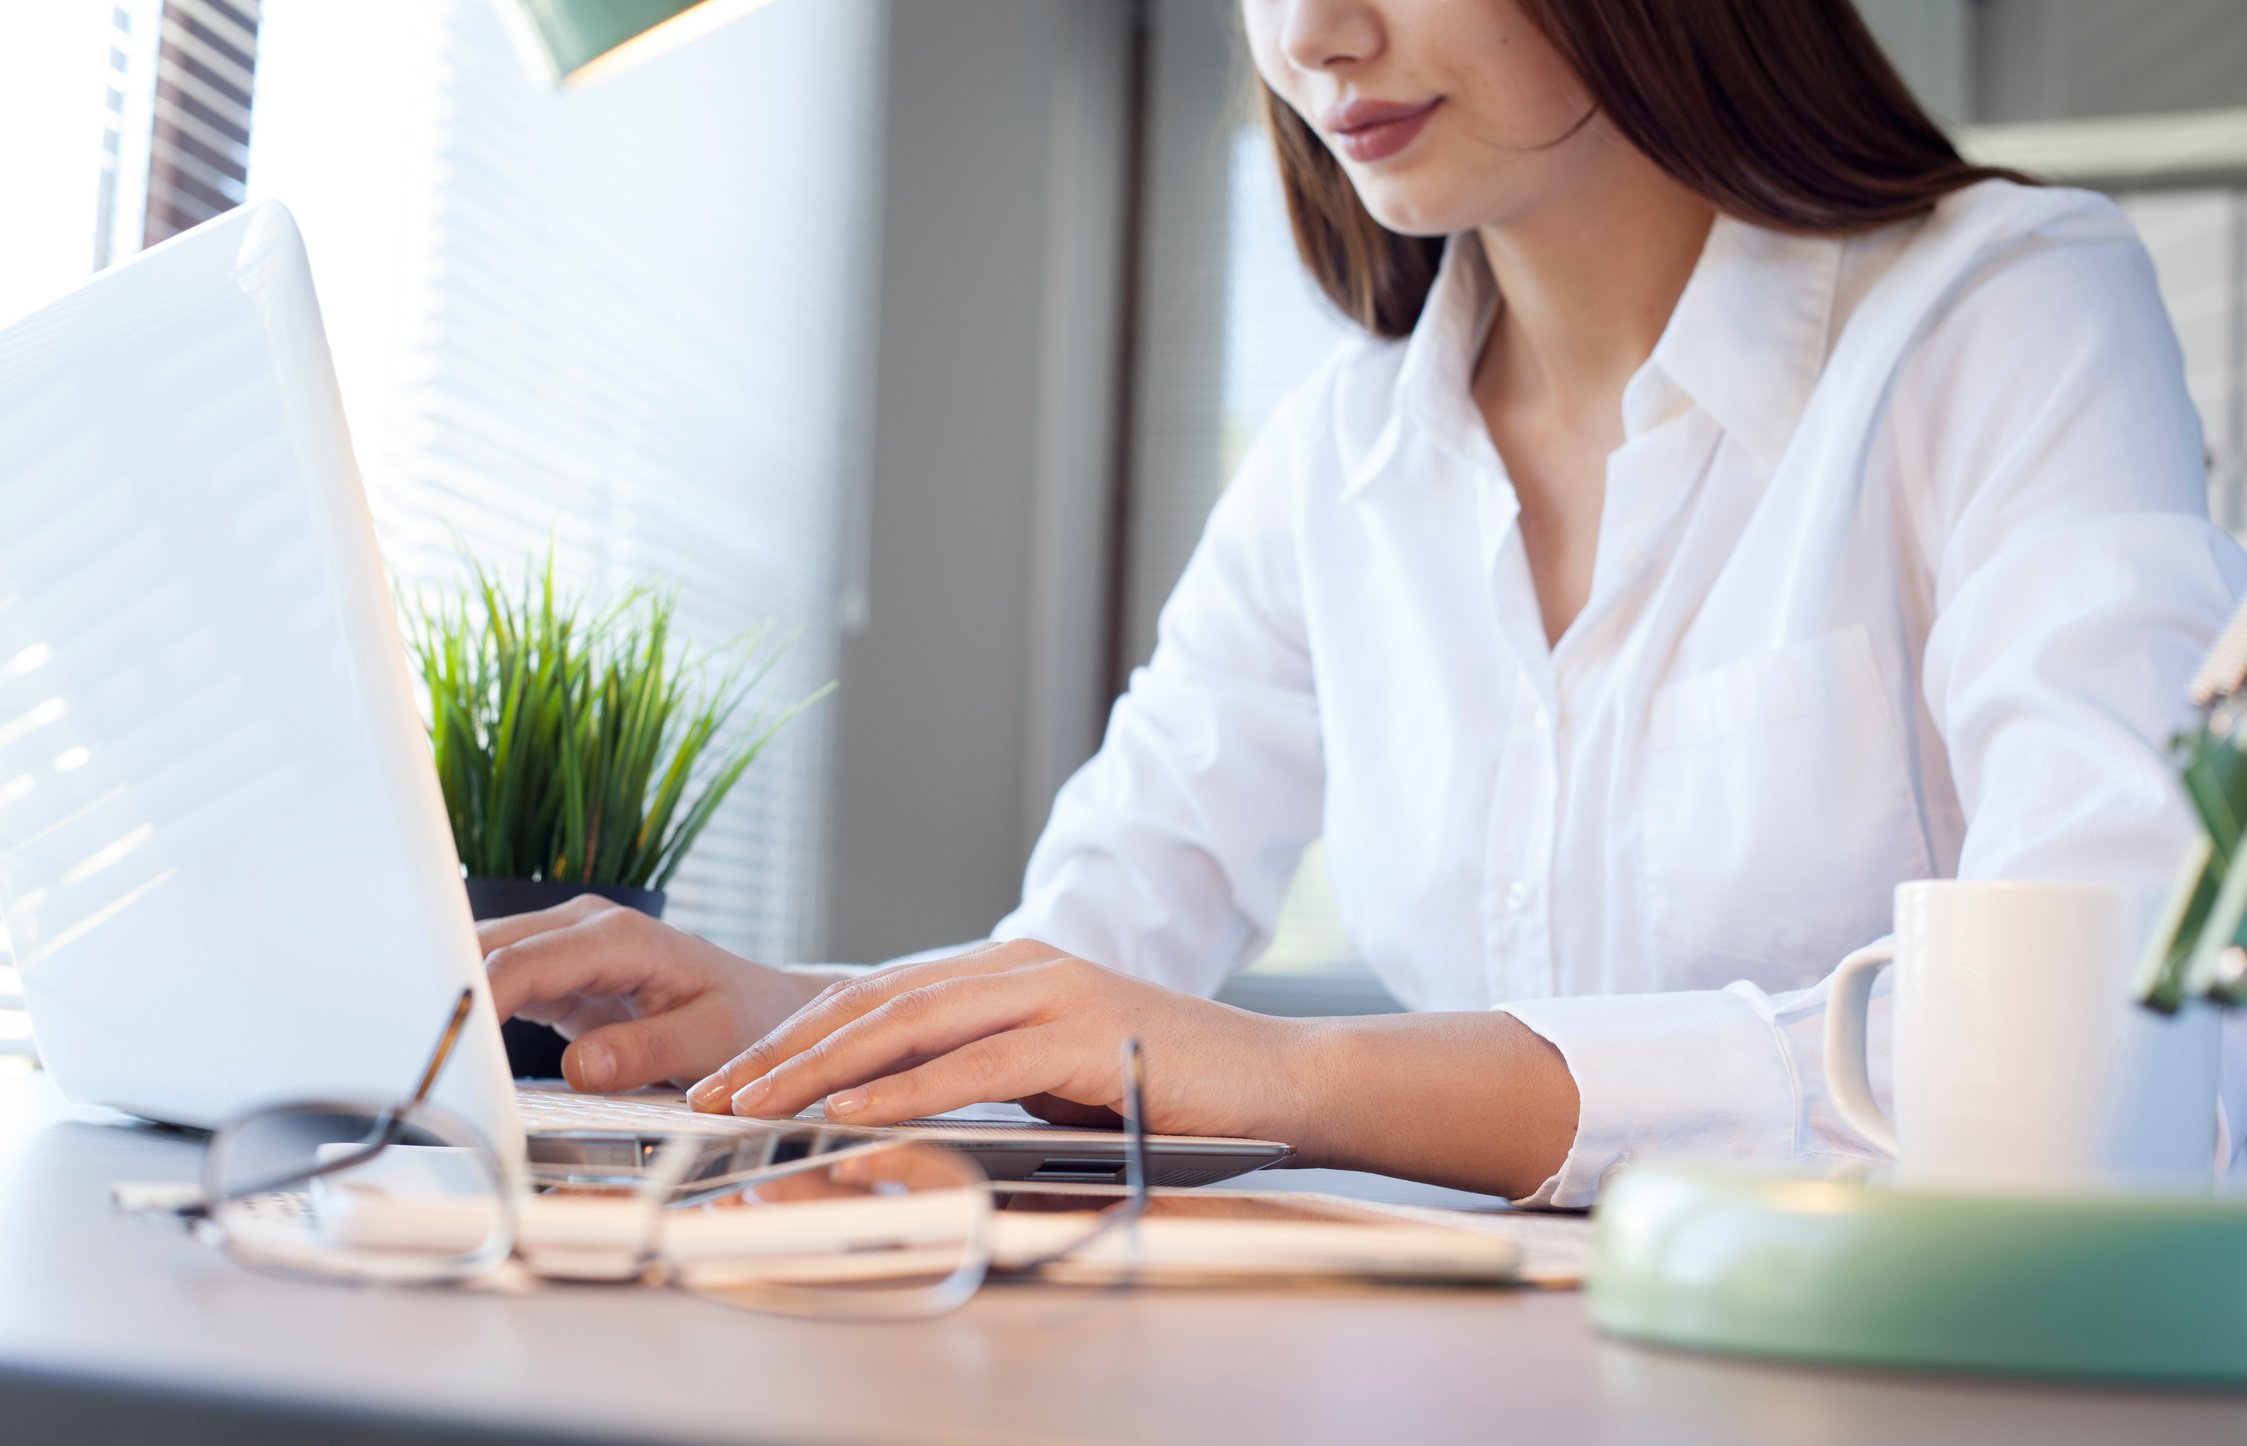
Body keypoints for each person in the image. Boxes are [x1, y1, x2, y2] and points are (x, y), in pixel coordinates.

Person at [481, 0, 2247, 1204]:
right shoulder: (1347, 449)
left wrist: (1303, 1076)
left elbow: (2114, 1037)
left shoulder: (2005, 315)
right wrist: (789, 1018)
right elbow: (1099, 953)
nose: (1314, 32)